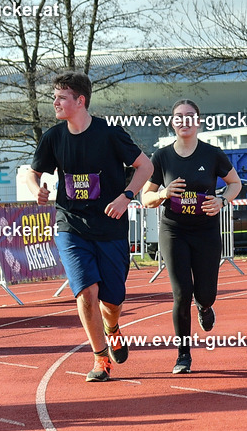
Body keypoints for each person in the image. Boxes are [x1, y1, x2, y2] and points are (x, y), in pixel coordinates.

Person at [21, 72, 152, 382]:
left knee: (112, 299)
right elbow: (32, 172)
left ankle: (113, 327)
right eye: (54, 96)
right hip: (71, 225)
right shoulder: (54, 136)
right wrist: (35, 188)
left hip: (110, 226)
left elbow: (146, 166)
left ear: (80, 101)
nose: (54, 102)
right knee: (86, 293)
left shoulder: (109, 133)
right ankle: (100, 358)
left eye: (61, 97)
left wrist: (126, 197)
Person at [140, 100, 242, 374]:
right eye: (178, 117)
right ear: (172, 122)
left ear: (198, 122)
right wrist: (163, 193)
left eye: (189, 116)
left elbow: (235, 184)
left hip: (206, 230)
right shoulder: (161, 157)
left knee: (205, 293)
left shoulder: (212, 154)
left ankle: (205, 307)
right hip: (174, 230)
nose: (184, 121)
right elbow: (145, 196)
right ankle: (183, 356)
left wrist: (221, 200)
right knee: (181, 293)